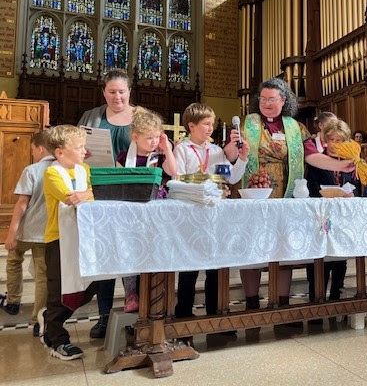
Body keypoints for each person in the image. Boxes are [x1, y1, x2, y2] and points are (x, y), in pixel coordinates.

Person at [230, 78, 354, 313]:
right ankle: (252, 303)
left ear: (284, 101)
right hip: (253, 194)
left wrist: (340, 166)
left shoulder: (296, 128)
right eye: (263, 99)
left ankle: (282, 303)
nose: (266, 103)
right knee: (251, 249)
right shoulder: (247, 124)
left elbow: (311, 156)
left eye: (272, 99)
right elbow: (232, 154)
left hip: (287, 195)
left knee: (282, 248)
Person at [173, 103, 248, 321]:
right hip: (191, 214)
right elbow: (177, 179)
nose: (210, 128)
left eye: (212, 124)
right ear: (191, 126)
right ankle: (183, 315)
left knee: (215, 267)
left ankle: (214, 314)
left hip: (215, 216)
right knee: (190, 267)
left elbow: (231, 178)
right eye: (206, 124)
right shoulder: (183, 150)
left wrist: (242, 158)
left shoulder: (216, 151)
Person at [78, 68, 133, 339]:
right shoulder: (92, 116)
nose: (117, 96)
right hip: (98, 190)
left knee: (131, 254)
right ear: (104, 92)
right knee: (106, 255)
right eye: (111, 91)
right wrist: (81, 151)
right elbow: (74, 147)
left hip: (132, 193)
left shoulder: (140, 117)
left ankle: (135, 314)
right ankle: (103, 316)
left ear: (129, 92)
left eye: (121, 91)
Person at [39, 125, 96, 360]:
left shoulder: (85, 169)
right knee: (59, 291)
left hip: (84, 237)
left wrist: (88, 194)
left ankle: (51, 318)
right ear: (60, 152)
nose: (85, 151)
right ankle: (56, 339)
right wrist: (88, 194)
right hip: (58, 239)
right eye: (79, 147)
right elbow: (70, 198)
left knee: (91, 286)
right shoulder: (52, 173)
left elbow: (95, 192)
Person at [115, 107, 177, 312]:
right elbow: (118, 182)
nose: (153, 142)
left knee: (156, 253)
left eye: (156, 137)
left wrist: (166, 149)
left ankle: (159, 295)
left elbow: (173, 172)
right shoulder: (124, 157)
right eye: (149, 138)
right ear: (135, 137)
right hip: (131, 211)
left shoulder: (158, 156)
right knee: (131, 253)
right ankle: (131, 294)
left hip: (156, 212)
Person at [1, 132, 52, 335]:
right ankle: (38, 319)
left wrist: (10, 233)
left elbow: (22, 204)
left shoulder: (32, 170)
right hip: (46, 232)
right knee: (42, 276)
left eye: (32, 150)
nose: (33, 153)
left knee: (14, 259)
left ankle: (13, 301)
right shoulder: (61, 169)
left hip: (26, 230)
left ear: (40, 148)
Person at [305, 119, 359, 304]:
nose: (336, 144)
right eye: (332, 140)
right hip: (319, 213)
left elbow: (356, 183)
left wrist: (352, 193)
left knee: (339, 258)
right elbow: (310, 183)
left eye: (340, 140)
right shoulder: (317, 158)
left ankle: (337, 297)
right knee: (318, 259)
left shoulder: (350, 159)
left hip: (341, 215)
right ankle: (316, 300)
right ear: (325, 140)